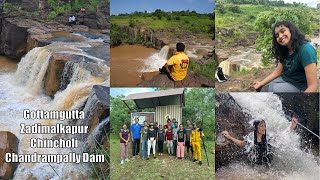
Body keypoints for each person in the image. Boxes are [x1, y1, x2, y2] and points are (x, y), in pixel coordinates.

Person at [252, 20, 317, 92]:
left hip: (298, 86)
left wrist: (301, 101)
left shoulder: (306, 50)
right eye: (277, 35)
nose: (280, 36)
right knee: (262, 88)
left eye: (283, 31)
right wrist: (261, 83)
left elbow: (313, 86)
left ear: (291, 30)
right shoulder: (285, 49)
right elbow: (277, 72)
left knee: (265, 91)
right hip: (285, 79)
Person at [221, 118, 298, 167]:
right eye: (261, 126)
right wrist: (229, 137)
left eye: (264, 126)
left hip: (268, 164)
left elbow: (281, 137)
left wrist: (291, 127)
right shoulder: (251, 137)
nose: (263, 128)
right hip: (256, 165)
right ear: (256, 127)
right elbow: (241, 144)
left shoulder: (267, 137)